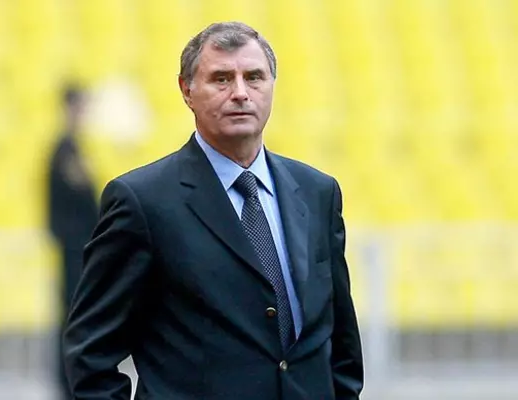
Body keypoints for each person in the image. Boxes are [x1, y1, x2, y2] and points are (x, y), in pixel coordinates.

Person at [63, 22, 363, 400]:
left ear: (272, 85)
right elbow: (91, 354)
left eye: (254, 77)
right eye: (221, 79)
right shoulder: (142, 202)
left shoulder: (318, 192)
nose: (240, 93)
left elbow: (341, 341)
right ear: (186, 91)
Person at [47, 85, 99, 400]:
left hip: (77, 248)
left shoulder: (72, 149)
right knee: (73, 315)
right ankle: (69, 381)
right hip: (73, 249)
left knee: (75, 314)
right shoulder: (65, 151)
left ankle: (73, 379)